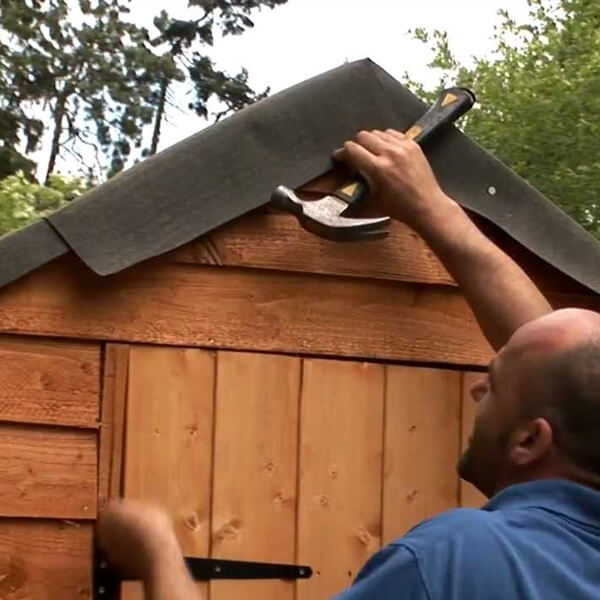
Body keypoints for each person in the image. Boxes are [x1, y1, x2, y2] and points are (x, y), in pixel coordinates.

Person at [98, 129, 600, 599]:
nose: (475, 389)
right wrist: (433, 212)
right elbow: (569, 372)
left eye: (493, 382)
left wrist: (157, 548)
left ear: (531, 439)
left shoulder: (454, 560)